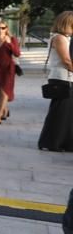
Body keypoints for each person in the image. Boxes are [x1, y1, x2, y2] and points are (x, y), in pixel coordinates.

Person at [38, 10, 73, 152]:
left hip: (65, 78)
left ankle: (64, 142)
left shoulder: (64, 38)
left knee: (66, 114)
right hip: (61, 78)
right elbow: (65, 60)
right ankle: (52, 142)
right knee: (60, 113)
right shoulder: (59, 38)